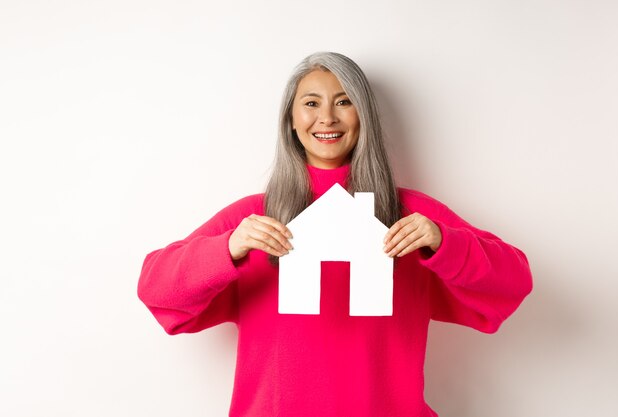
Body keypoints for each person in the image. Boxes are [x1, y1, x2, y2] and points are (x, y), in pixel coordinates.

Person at [137, 52, 532, 417]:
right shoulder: (255, 219)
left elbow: (514, 279)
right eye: (311, 103)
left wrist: (446, 242)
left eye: (344, 101)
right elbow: (155, 286)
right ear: (290, 121)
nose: (327, 117)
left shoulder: (409, 216)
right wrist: (226, 249)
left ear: (364, 116)